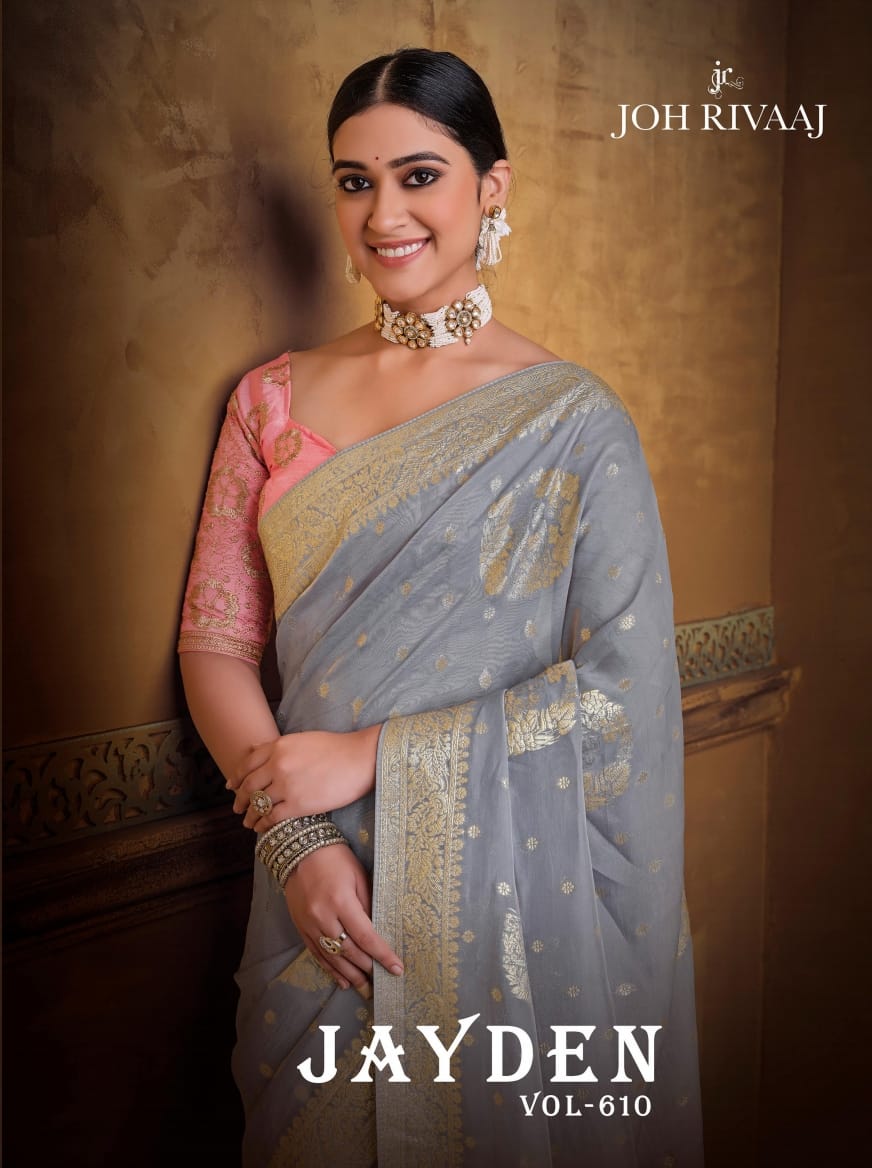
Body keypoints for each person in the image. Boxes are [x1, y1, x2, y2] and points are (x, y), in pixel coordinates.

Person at [178, 48, 704, 1168]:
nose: (384, 215)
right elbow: (214, 642)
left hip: (510, 908)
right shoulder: (269, 402)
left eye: (419, 176)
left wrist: (370, 755)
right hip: (314, 895)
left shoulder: (574, 424)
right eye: (354, 181)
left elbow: (620, 698)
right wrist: (297, 844)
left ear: (491, 186)